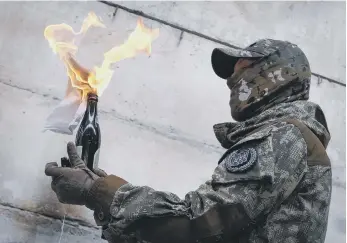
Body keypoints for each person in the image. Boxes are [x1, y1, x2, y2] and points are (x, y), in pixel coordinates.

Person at [45, 39, 332, 243]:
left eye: (242, 68)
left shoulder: (283, 137)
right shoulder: (289, 138)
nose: (232, 80)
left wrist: (97, 191)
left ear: (276, 75)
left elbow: (197, 222)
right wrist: (103, 199)